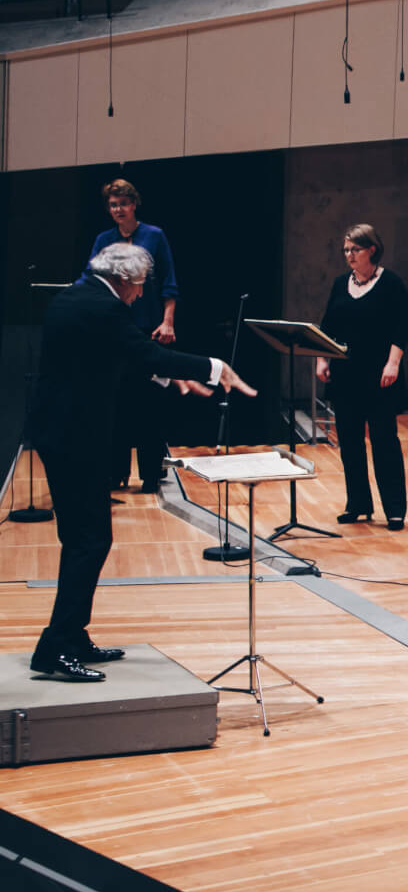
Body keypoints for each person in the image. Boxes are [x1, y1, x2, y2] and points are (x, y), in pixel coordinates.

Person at [30, 243, 255, 682]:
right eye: (139, 287)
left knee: (84, 540)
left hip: (62, 434)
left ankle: (71, 636)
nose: (140, 296)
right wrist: (213, 367)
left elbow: (116, 355)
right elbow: (143, 352)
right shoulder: (103, 307)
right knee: (89, 542)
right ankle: (54, 647)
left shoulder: (75, 297)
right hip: (75, 439)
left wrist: (174, 378)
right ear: (126, 280)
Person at [75, 178, 180, 494]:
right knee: (115, 403)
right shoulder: (103, 239)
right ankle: (116, 473)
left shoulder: (154, 236)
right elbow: (89, 277)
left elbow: (169, 282)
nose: (118, 209)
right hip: (113, 331)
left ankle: (151, 474)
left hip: (148, 330)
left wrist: (168, 322)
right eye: (112, 204)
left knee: (149, 405)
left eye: (123, 203)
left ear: (134, 204)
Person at [315, 224, 408, 531]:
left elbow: (403, 326)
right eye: (346, 250)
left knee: (384, 441)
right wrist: (321, 359)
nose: (349, 256)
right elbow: (327, 325)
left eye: (354, 250)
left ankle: (395, 509)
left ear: (371, 249)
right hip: (346, 375)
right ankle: (358, 503)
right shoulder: (340, 283)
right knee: (350, 442)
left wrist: (393, 363)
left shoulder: (391, 283)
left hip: (379, 375)